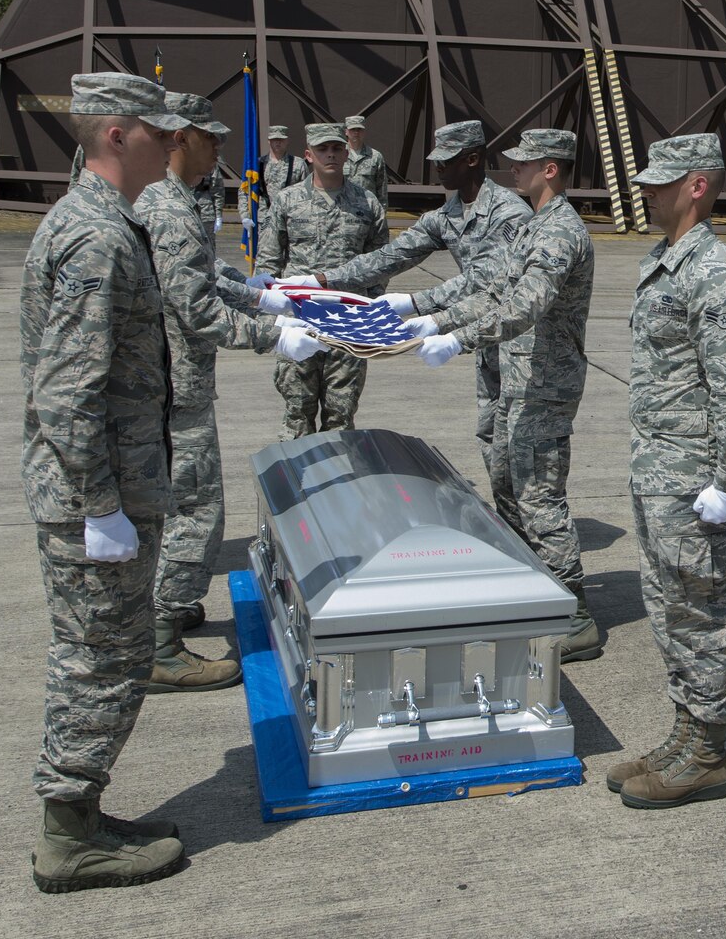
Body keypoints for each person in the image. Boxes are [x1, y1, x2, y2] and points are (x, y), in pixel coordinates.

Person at [22, 72, 191, 891]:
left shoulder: (102, 223)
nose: (175, 143)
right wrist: (100, 509)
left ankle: (81, 814)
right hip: (101, 496)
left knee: (101, 658)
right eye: (160, 131)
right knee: (100, 663)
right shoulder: (96, 238)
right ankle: (67, 835)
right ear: (118, 135)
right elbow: (67, 391)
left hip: (109, 487)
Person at [132, 91, 324, 693]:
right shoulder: (166, 208)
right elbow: (193, 310)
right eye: (211, 137)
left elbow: (204, 274)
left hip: (176, 384)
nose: (222, 146)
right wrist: (274, 335)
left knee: (181, 505)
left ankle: (171, 608)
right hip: (173, 389)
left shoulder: (175, 202)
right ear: (180, 137)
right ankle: (162, 643)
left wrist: (256, 291)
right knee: (196, 511)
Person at [606, 134, 726, 810]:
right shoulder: (665, 261)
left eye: (661, 182)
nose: (646, 191)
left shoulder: (714, 273)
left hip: (692, 477)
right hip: (656, 469)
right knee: (668, 608)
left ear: (697, 185)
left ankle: (707, 754)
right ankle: (684, 731)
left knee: (699, 608)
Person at [404, 129, 600, 661]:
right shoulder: (533, 226)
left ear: (551, 169)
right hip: (517, 378)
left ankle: (576, 615)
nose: (513, 170)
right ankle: (535, 591)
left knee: (540, 497)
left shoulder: (560, 232)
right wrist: (432, 323)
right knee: (507, 484)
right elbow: (492, 290)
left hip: (546, 383)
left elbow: (524, 306)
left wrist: (457, 339)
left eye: (524, 163)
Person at [291, 120, 533, 509]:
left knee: (521, 446)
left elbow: (487, 279)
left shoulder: (508, 213)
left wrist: (415, 304)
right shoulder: (450, 212)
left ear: (472, 160)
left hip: (519, 342)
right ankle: (514, 523)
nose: (437, 168)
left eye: (446, 161)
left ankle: (530, 529)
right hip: (484, 341)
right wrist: (321, 279)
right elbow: (391, 256)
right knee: (491, 437)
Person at [255, 123, 388, 437]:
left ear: (345, 153)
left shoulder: (366, 203)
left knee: (341, 417)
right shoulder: (287, 202)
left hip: (348, 322)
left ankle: (337, 481)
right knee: (297, 415)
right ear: (308, 155)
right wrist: (269, 321)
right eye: (322, 149)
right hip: (300, 320)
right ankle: (298, 483)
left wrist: (367, 305)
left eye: (336, 148)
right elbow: (269, 262)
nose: (330, 154)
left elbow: (381, 261)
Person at [342, 114, 389, 211]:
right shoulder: (339, 154)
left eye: (359, 129)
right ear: (346, 131)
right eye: (352, 129)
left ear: (364, 132)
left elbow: (382, 189)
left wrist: (382, 212)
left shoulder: (375, 156)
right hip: (343, 210)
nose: (356, 132)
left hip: (368, 210)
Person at [260, 124, 306, 206]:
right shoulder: (258, 164)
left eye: (281, 139)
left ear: (287, 141)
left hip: (289, 213)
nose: (278, 142)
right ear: (268, 141)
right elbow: (245, 191)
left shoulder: (299, 163)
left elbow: (306, 191)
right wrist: (245, 216)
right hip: (264, 214)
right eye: (274, 139)